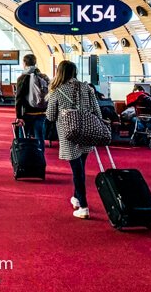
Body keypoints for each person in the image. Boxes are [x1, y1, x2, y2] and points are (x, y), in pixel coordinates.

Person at [46, 60, 101, 220]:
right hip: (87, 131)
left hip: (69, 134)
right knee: (80, 168)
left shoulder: (57, 91)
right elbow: (97, 111)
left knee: (77, 171)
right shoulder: (87, 88)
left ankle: (83, 206)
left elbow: (50, 116)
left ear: (60, 72)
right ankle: (76, 198)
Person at [15, 54, 50, 157]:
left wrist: (18, 116)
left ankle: (24, 158)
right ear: (35, 62)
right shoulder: (43, 76)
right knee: (40, 137)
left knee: (24, 137)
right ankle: (40, 158)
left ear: (24, 63)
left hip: (27, 113)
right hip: (42, 111)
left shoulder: (22, 77)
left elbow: (19, 98)